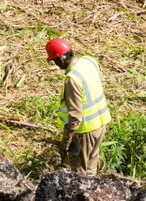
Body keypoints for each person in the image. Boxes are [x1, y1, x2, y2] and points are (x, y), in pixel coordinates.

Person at [46, 38, 112, 174]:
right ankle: (92, 185)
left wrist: (66, 142)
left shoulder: (72, 79)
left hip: (85, 131)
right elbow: (101, 82)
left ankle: (82, 187)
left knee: (77, 170)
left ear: (61, 59)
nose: (56, 65)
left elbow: (75, 116)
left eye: (55, 61)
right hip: (101, 125)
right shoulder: (89, 61)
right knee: (91, 164)